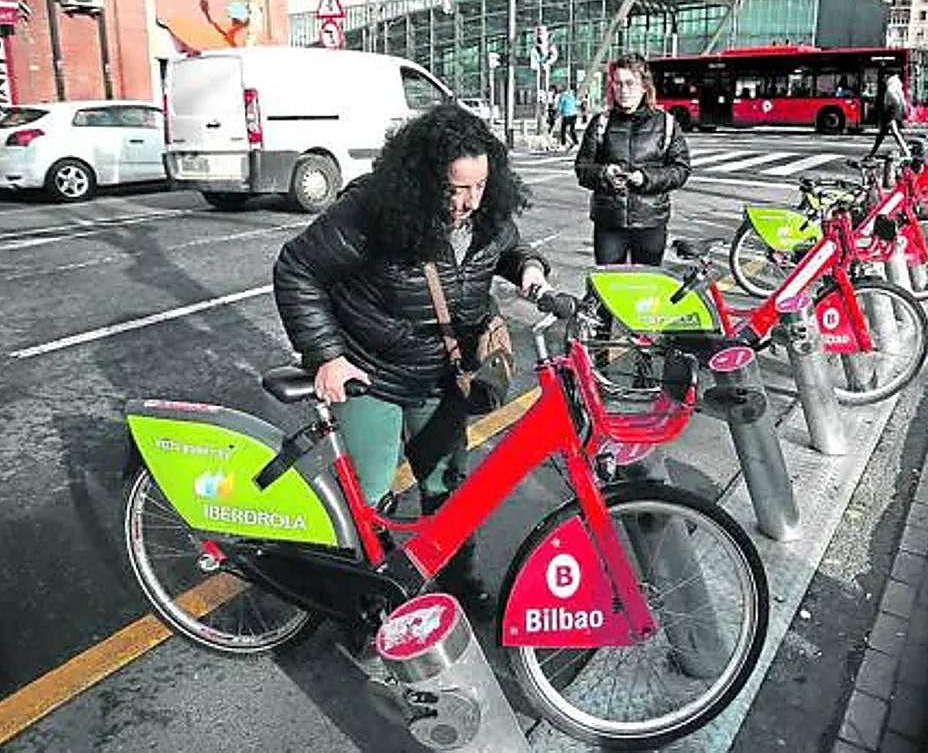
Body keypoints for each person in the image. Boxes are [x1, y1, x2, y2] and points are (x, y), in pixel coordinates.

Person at [273, 103, 550, 611]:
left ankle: (457, 579)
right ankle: (366, 599)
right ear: (424, 180)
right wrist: (327, 356)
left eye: (481, 186)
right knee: (370, 497)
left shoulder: (485, 211)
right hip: (370, 373)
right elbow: (297, 269)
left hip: (441, 375)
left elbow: (508, 246)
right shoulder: (372, 213)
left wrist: (529, 268)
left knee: (448, 486)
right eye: (457, 188)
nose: (470, 201)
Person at [575, 52, 691, 268]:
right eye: (617, 84)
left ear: (644, 86)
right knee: (609, 288)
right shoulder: (601, 123)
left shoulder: (665, 124)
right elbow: (582, 168)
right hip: (610, 221)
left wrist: (645, 178)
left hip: (651, 220)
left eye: (630, 83)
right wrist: (603, 174)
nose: (623, 90)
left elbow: (681, 169)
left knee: (647, 289)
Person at [867, 71, 909, 158]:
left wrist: (889, 115)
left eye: (885, 77)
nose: (884, 79)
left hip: (889, 115)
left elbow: (891, 104)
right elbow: (902, 103)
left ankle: (906, 152)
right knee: (882, 135)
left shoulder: (890, 90)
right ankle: (872, 153)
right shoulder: (897, 88)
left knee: (893, 134)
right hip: (892, 115)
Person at [557, 84, 579, 149]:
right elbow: (575, 104)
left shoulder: (562, 96)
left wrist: (558, 114)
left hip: (567, 114)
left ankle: (563, 144)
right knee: (572, 129)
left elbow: (560, 107)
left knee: (563, 130)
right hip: (574, 114)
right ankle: (576, 142)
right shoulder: (571, 95)